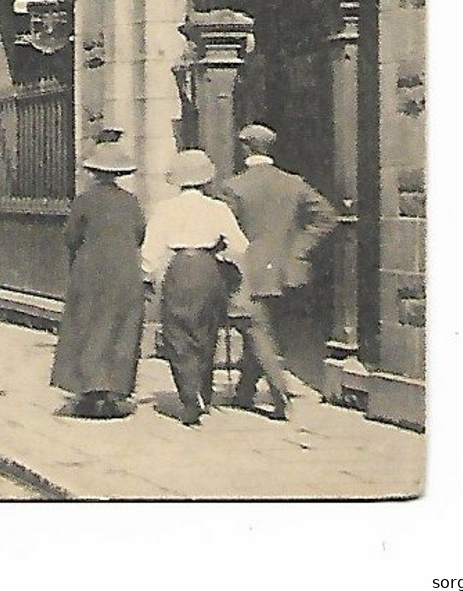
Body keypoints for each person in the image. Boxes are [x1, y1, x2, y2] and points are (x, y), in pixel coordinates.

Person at [220, 123, 338, 421]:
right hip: (286, 271)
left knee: (256, 330)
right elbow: (326, 216)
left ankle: (279, 392)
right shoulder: (294, 183)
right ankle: (245, 391)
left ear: (245, 148)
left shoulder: (233, 187)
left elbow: (226, 232)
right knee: (262, 329)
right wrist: (298, 249)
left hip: (249, 270)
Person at [143, 149, 250, 426]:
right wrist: (220, 249)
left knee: (177, 332)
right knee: (206, 330)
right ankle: (203, 390)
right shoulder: (218, 208)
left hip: (180, 268)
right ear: (206, 180)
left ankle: (189, 396)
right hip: (207, 269)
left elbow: (151, 249)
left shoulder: (165, 208)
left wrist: (146, 274)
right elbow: (241, 245)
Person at [51, 140, 146, 418]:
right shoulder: (131, 202)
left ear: (94, 171)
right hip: (125, 272)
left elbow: (71, 237)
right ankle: (113, 390)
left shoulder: (85, 201)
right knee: (120, 328)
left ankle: (90, 389)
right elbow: (140, 234)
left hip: (91, 271)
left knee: (88, 326)